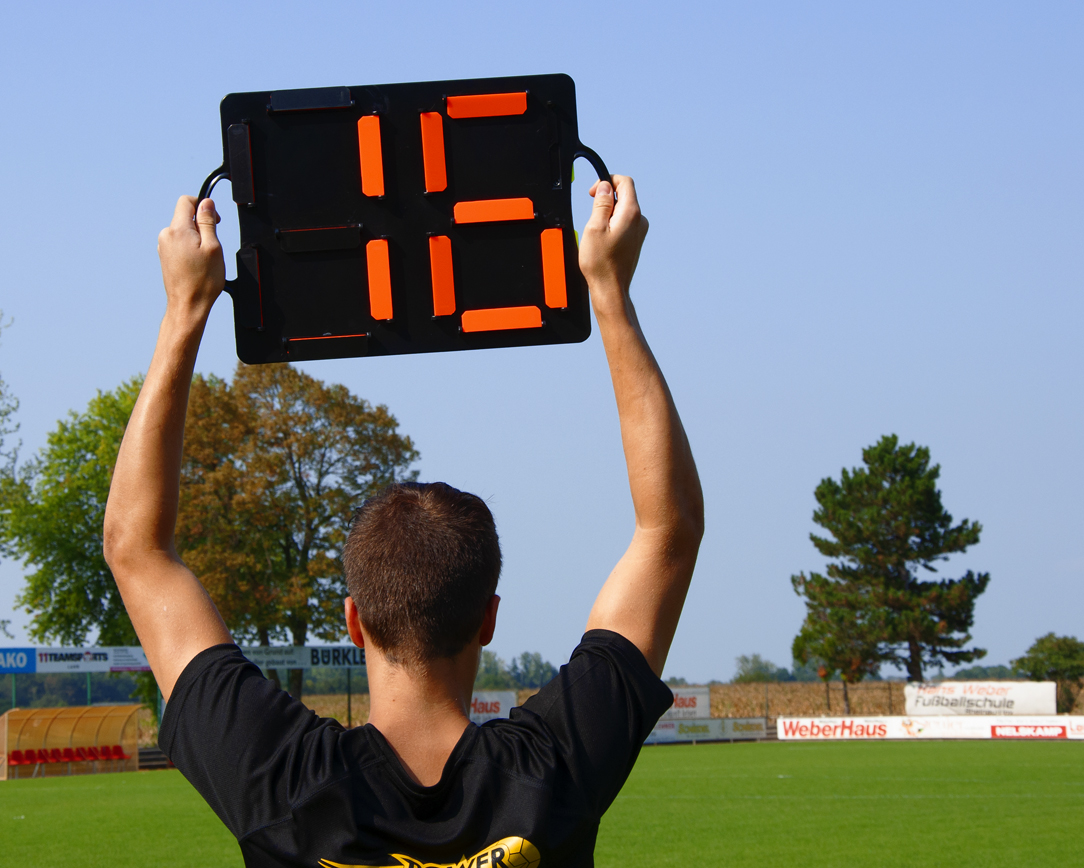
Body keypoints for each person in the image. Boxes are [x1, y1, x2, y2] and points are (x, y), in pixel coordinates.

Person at [104, 176, 704, 868]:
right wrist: (610, 293)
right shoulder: (553, 769)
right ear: (489, 619)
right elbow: (669, 529)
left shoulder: (280, 780)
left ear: (354, 620)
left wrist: (184, 309)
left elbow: (136, 549)